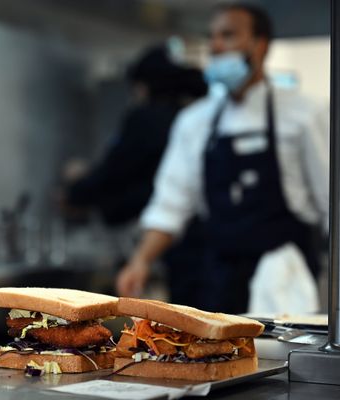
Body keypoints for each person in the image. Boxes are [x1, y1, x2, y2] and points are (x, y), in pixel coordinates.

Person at [116, 3, 328, 314]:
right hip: (217, 277)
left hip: (285, 275)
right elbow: (171, 204)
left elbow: (330, 201)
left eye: (228, 35)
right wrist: (140, 261)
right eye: (212, 36)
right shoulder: (195, 121)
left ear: (260, 44)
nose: (216, 45)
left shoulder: (306, 113)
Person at [60, 46, 209, 305]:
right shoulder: (188, 117)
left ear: (144, 85)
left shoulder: (148, 118)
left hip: (178, 245)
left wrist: (76, 190)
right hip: (198, 243)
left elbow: (115, 171)